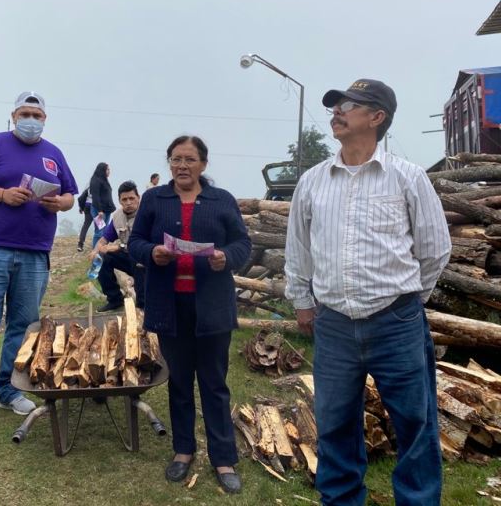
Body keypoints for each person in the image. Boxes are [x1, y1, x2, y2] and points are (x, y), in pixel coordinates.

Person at [285, 79, 451, 506]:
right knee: (335, 424)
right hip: (334, 325)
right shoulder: (313, 182)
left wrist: (407, 302)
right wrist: (302, 300)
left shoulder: (407, 177)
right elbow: (299, 248)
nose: (337, 112)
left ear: (377, 117)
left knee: (415, 425)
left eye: (349, 106)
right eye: (335, 106)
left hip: (396, 323)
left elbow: (435, 249)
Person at [128, 136, 251, 494]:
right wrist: (153, 252)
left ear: (203, 164)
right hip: (170, 305)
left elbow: (242, 244)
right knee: (180, 381)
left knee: (214, 383)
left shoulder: (221, 200)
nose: (182, 166)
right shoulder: (155, 199)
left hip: (212, 305)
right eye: (176, 159)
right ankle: (183, 450)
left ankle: (223, 458)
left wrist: (226, 257)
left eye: (190, 159)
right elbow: (135, 242)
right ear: (169, 163)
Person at [0, 91, 77, 431]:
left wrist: (60, 203)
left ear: (45, 119)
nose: (31, 121)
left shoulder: (53, 154)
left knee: (22, 326)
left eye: (37, 116)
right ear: (13, 116)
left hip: (35, 252)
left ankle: (9, 390)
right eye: (25, 114)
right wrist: (2, 194)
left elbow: (70, 194)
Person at [91, 180, 145, 312]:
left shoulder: (146, 214)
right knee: (101, 258)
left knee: (138, 262)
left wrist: (118, 247)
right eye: (124, 199)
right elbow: (103, 240)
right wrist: (95, 251)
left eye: (132, 198)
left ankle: (142, 305)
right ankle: (114, 299)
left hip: (145, 261)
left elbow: (146, 243)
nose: (128, 202)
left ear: (138, 198)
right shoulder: (117, 217)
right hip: (127, 258)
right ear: (119, 201)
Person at [89, 162, 115, 247]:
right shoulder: (95, 180)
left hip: (106, 210)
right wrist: (100, 210)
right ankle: (96, 252)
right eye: (107, 169)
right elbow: (95, 196)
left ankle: (102, 251)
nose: (109, 171)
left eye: (109, 169)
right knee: (99, 232)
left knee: (105, 232)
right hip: (98, 211)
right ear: (102, 170)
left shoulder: (104, 180)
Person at [76, 185, 93, 252]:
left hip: (87, 206)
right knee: (99, 226)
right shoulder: (101, 183)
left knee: (86, 225)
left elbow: (82, 197)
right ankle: (98, 245)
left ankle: (80, 244)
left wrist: (81, 207)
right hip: (96, 208)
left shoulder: (88, 184)